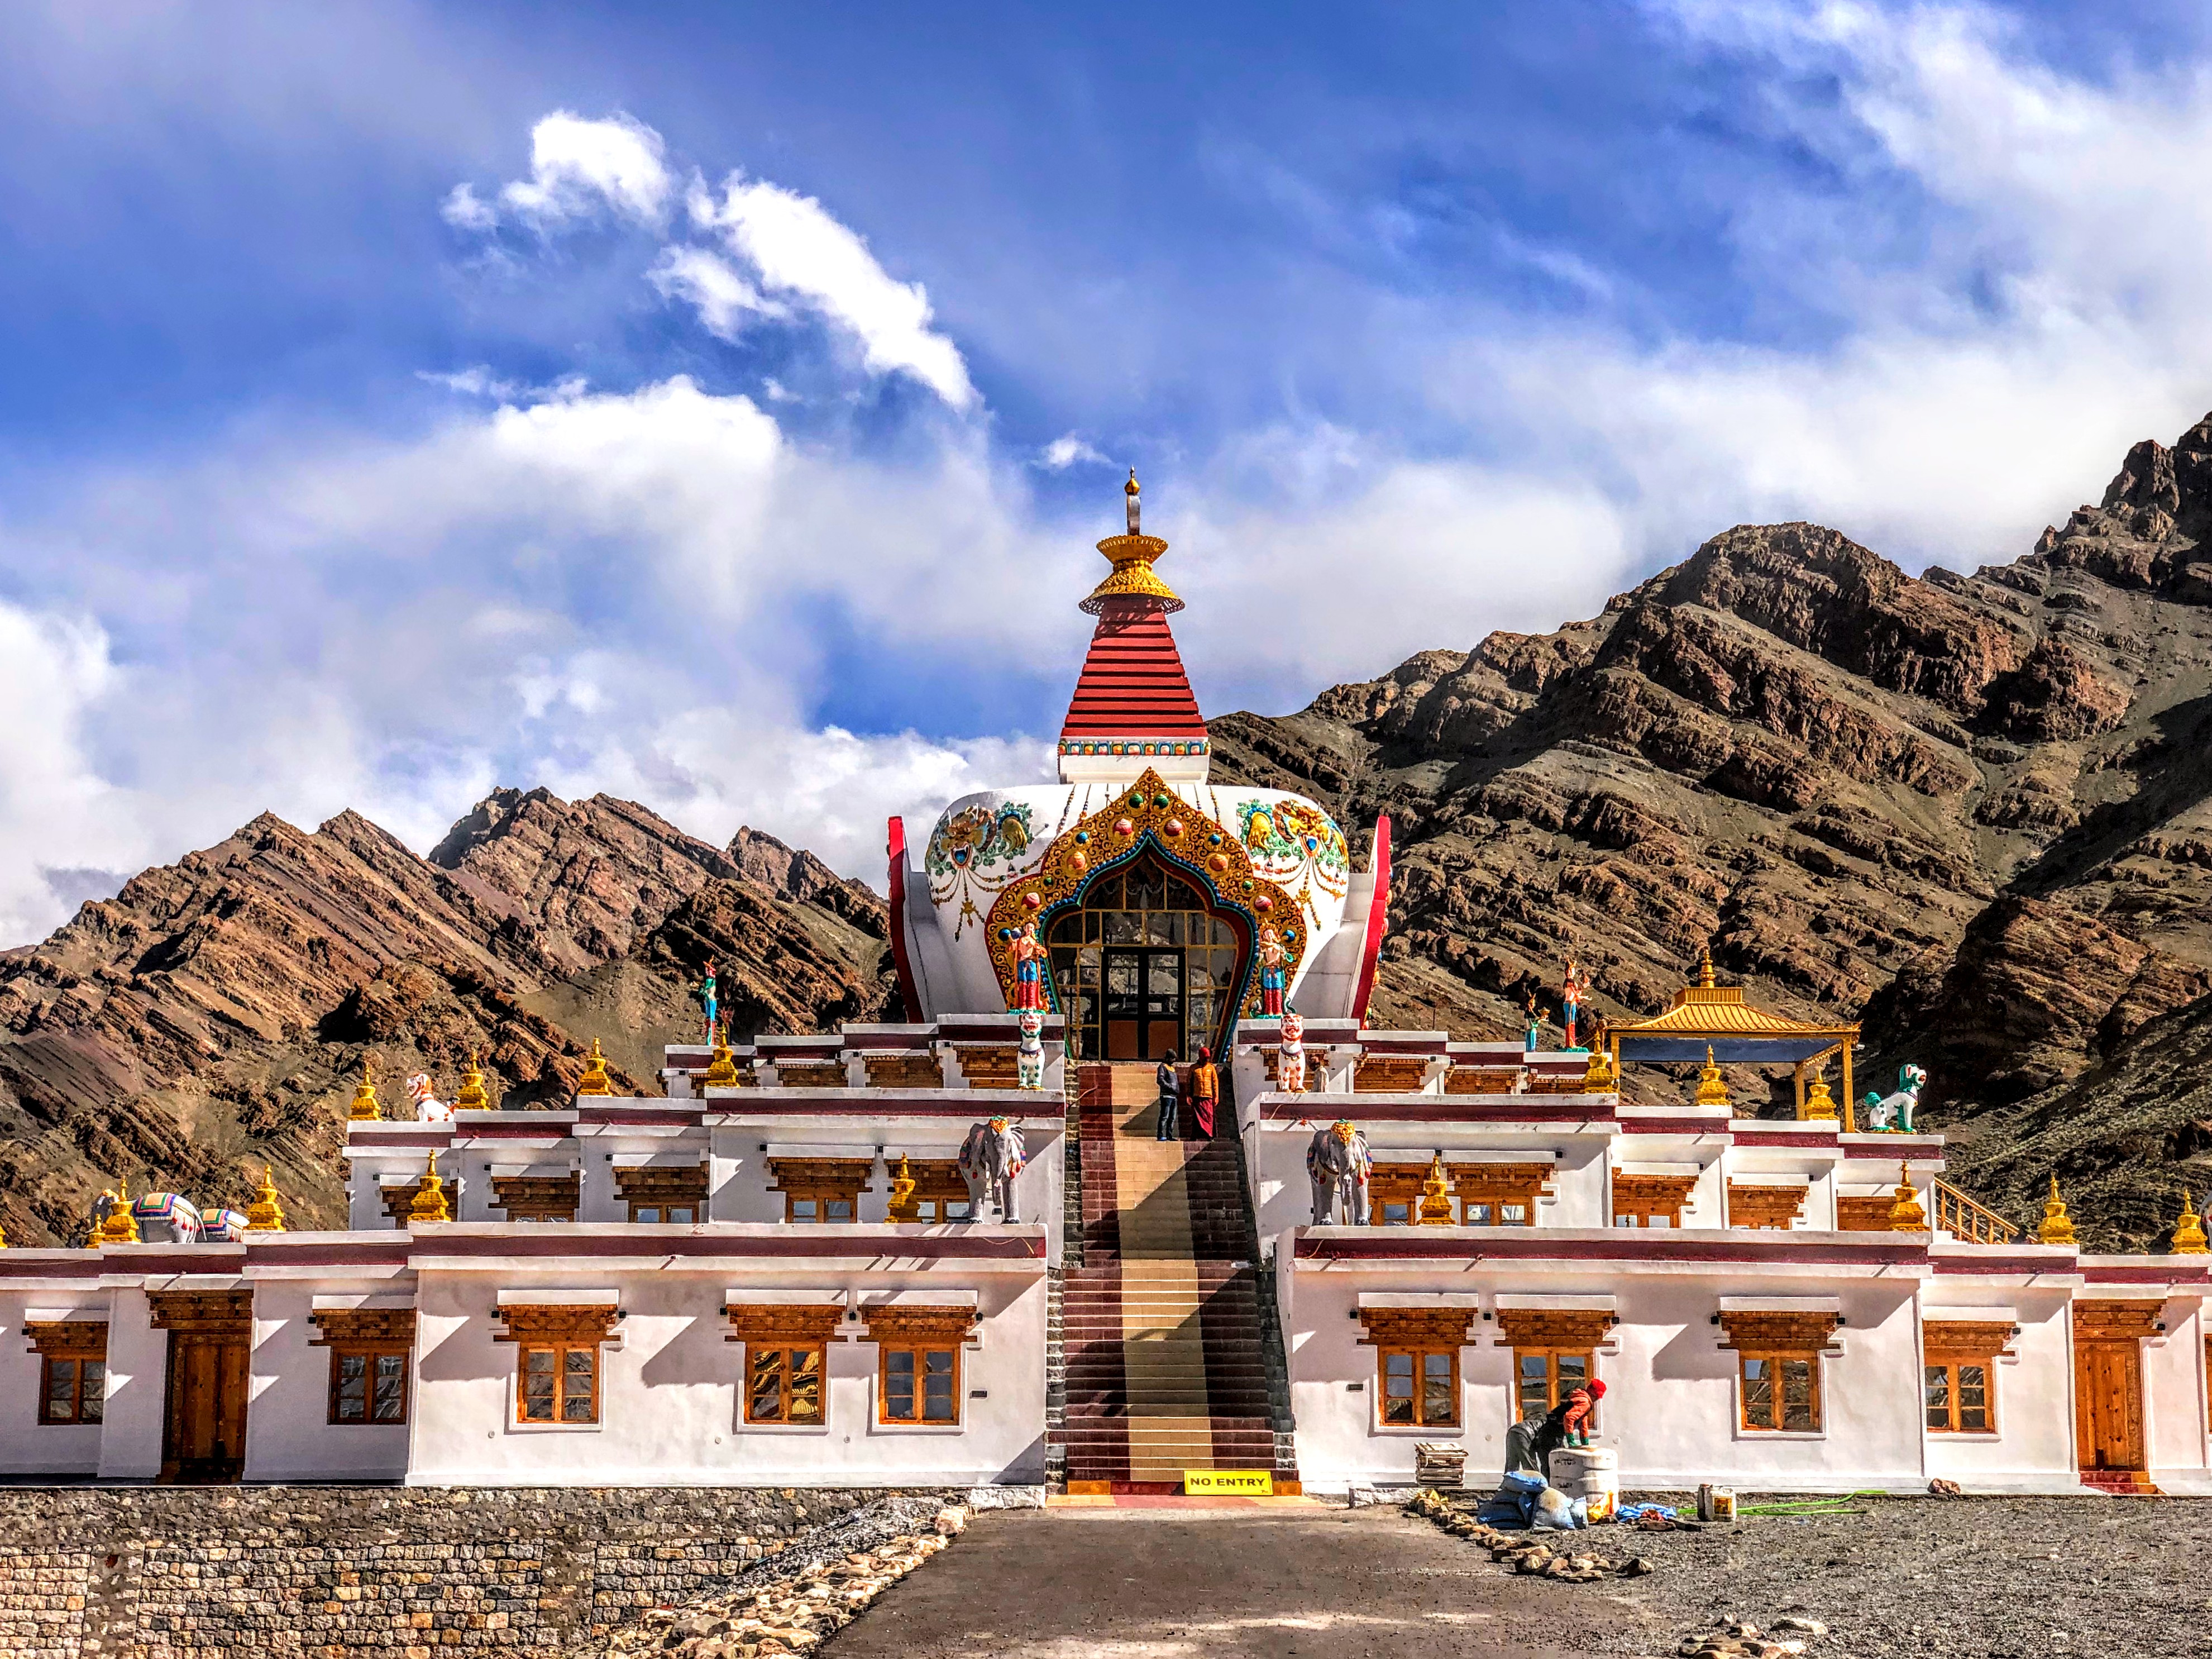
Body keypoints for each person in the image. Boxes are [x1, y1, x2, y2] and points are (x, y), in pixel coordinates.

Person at [1530, 1379, 1606, 1474]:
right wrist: (1571, 1441)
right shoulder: (1585, 1402)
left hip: (1552, 1431)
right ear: (1593, 1394)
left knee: (1556, 1463)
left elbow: (1583, 1424)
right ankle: (1548, 1487)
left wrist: (1585, 1444)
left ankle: (1553, 1485)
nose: (1597, 1399)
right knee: (1552, 1464)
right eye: (1597, 1396)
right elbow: (1569, 1418)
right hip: (1552, 1434)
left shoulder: (1581, 1399)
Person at [1190, 1045, 1220, 1138]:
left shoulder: (1211, 1068)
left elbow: (1215, 1083)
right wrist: (1188, 1095)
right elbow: (1189, 1083)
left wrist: (1216, 1096)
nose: (1207, 1060)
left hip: (1208, 1097)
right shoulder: (1193, 1068)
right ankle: (1195, 1136)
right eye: (1205, 1058)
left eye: (1208, 1058)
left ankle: (1209, 1135)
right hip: (1197, 1096)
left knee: (1209, 1117)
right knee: (1196, 1118)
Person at [1154, 1048, 1181, 1141]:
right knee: (1164, 1116)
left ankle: (1169, 1135)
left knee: (1172, 1118)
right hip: (1166, 1096)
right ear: (1168, 1058)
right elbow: (1160, 1080)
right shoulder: (1163, 1067)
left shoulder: (1173, 1069)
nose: (1174, 1061)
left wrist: (1177, 1089)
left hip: (1174, 1096)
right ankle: (1160, 1135)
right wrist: (1170, 1087)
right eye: (1172, 1059)